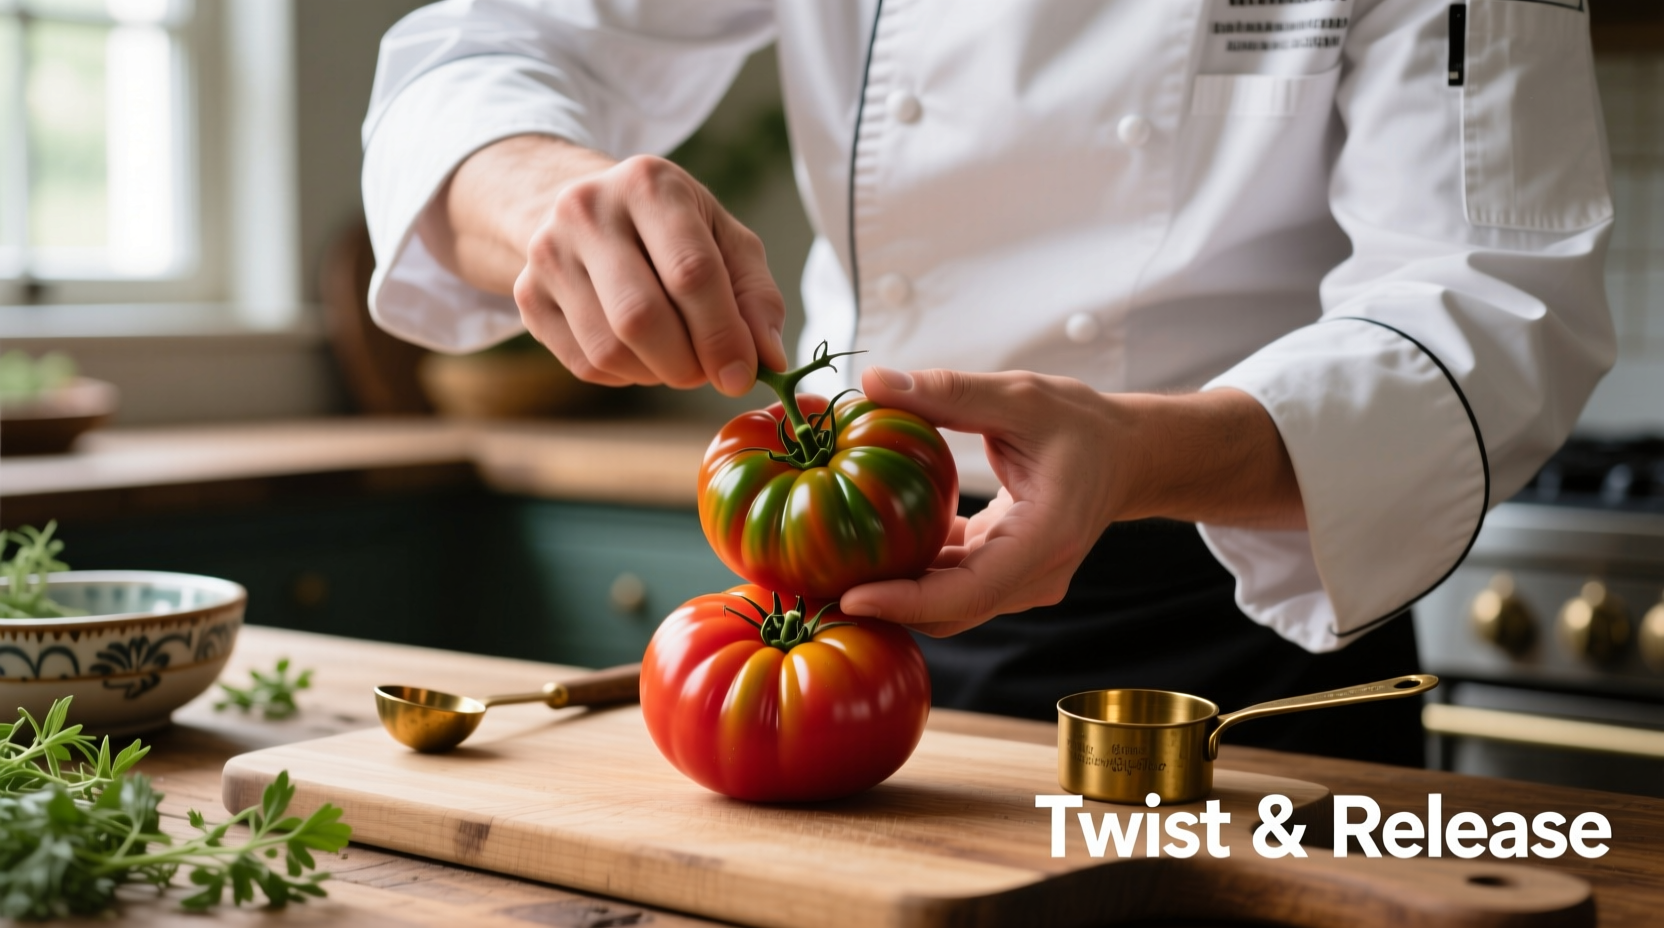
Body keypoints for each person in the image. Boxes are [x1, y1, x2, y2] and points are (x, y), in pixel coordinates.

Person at [361, 0, 1615, 765]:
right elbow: (487, 42)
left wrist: (1141, 452)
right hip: (837, 604)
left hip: (1238, 642)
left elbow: (1497, 296)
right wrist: (538, 195)